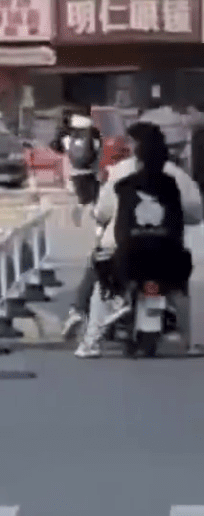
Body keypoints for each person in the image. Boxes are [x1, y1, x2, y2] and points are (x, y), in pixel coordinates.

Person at [75, 121, 201, 358]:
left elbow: (102, 212)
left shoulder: (120, 178)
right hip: (169, 261)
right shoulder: (176, 180)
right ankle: (193, 342)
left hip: (128, 258)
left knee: (102, 282)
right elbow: (195, 212)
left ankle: (91, 341)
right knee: (181, 290)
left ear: (136, 149)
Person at [61, 112, 102, 226]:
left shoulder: (67, 140)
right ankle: (98, 224)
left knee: (83, 199)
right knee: (94, 199)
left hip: (76, 174)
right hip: (90, 173)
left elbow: (67, 157)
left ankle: (79, 213)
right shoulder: (95, 139)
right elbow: (98, 156)